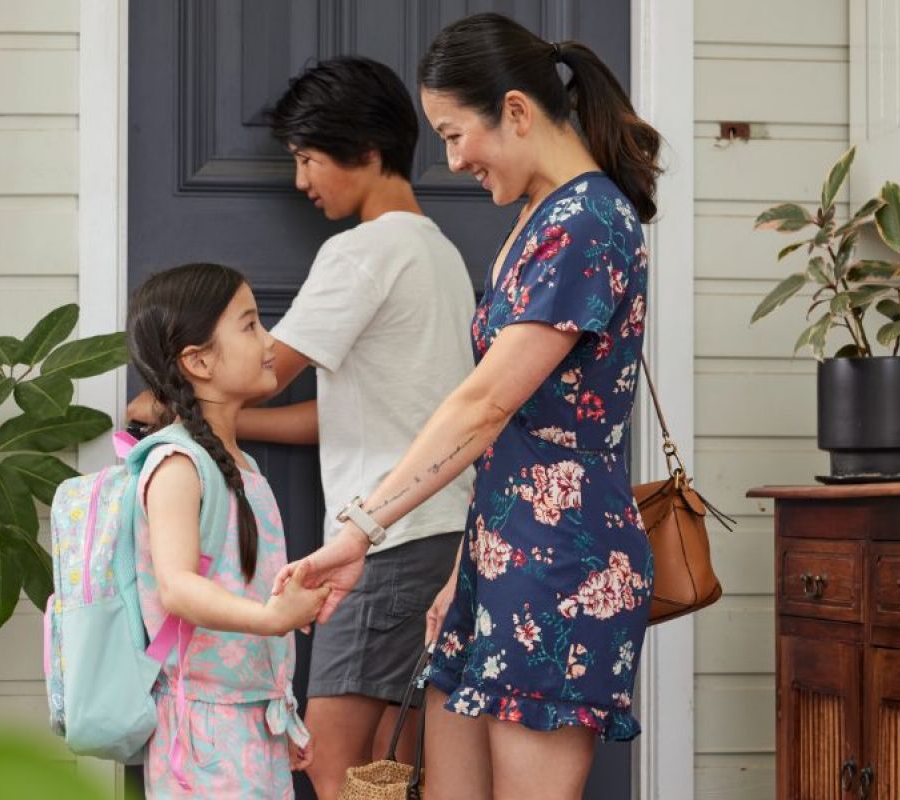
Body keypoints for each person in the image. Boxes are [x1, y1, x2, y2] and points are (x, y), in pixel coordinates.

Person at [273, 13, 663, 800]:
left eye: (456, 134)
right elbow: (503, 432)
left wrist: (359, 530)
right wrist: (461, 567)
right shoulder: (537, 217)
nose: (451, 161)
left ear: (515, 111)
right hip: (494, 554)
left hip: (559, 560)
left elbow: (485, 404)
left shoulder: (586, 221)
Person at [128, 56, 477, 799]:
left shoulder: (362, 252)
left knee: (329, 762)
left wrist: (171, 406)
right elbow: (345, 414)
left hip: (385, 539)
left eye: (308, 157)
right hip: (441, 529)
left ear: (368, 150)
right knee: (391, 764)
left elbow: (265, 369)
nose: (300, 179)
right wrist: (229, 427)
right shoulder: (438, 253)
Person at [127, 262, 330, 798]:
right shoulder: (177, 465)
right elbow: (177, 586)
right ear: (198, 360)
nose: (269, 340)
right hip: (203, 739)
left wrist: (276, 708)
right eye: (250, 325)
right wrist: (268, 618)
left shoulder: (242, 468)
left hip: (248, 725)